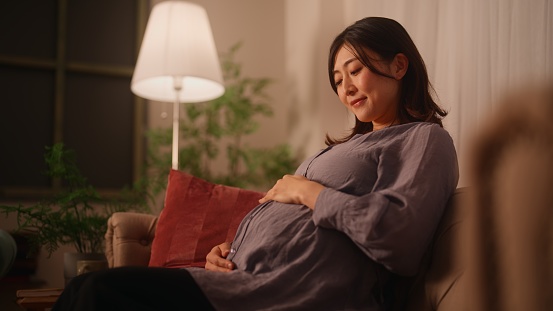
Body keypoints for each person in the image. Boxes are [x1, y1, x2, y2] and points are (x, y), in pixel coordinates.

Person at [52, 17, 458, 311]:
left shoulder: (424, 140)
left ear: (399, 66)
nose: (345, 87)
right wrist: (228, 250)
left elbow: (401, 238)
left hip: (287, 293)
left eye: (355, 70)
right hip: (235, 281)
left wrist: (308, 191)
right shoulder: (345, 148)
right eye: (337, 79)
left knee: (95, 295)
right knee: (79, 290)